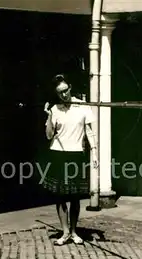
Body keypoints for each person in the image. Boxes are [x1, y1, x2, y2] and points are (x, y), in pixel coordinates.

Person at [42, 74, 98, 246]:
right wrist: (49, 116)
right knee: (60, 196)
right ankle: (64, 232)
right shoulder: (54, 109)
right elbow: (49, 135)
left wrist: (94, 153)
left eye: (65, 90)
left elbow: (89, 132)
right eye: (60, 93)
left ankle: (74, 232)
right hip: (58, 154)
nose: (64, 95)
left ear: (70, 88)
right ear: (56, 94)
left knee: (74, 196)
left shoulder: (82, 106)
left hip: (75, 154)